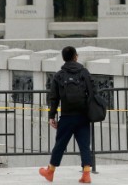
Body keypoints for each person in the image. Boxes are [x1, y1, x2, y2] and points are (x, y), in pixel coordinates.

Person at [39, 46, 94, 183]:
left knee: (60, 144)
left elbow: (54, 98)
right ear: (76, 56)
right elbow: (93, 91)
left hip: (67, 116)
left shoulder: (59, 75)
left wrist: (52, 116)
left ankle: (50, 172)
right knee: (84, 145)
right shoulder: (84, 72)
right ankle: (86, 174)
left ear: (64, 58)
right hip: (83, 115)